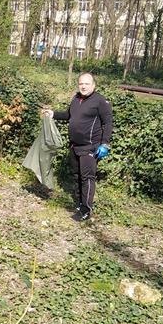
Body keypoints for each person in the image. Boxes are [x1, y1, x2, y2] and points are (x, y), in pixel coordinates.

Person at [43, 72, 112, 221]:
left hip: (90, 147)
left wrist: (105, 144)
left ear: (93, 85)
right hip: (74, 146)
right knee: (77, 176)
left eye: (87, 83)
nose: (83, 86)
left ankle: (86, 210)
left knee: (87, 178)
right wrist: (53, 114)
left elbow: (108, 123)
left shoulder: (100, 101)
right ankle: (80, 203)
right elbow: (69, 115)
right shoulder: (76, 99)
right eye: (81, 83)